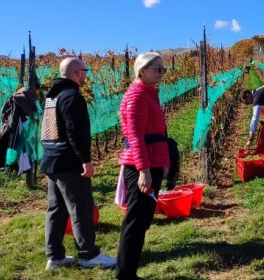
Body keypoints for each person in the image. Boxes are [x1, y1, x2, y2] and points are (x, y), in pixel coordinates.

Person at [40, 57, 117, 270]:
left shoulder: (51, 97)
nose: (87, 75)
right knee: (80, 207)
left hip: (52, 160)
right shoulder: (72, 96)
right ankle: (88, 255)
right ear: (77, 73)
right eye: (85, 71)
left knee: (56, 209)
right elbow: (76, 131)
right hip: (69, 163)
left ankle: (54, 257)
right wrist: (86, 161)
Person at [116, 52, 171, 280]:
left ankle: (129, 271)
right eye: (157, 68)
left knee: (143, 219)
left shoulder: (149, 94)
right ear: (142, 71)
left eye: (162, 69)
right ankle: (125, 274)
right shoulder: (137, 95)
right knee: (136, 221)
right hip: (143, 165)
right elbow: (135, 136)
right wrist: (144, 170)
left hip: (152, 162)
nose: (161, 72)